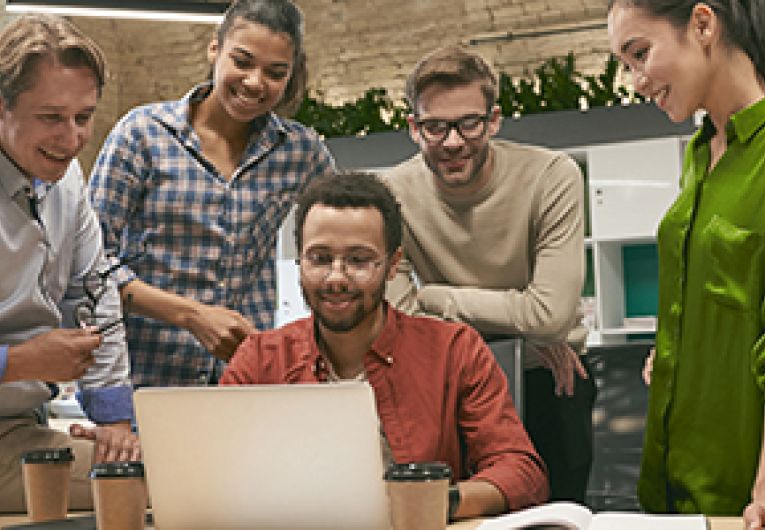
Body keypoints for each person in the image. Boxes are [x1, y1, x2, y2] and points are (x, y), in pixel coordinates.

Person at [220, 172, 549, 518]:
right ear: (298, 261)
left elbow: (520, 472)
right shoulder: (260, 358)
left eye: (359, 260)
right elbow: (213, 470)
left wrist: (435, 502)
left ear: (393, 265)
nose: (336, 277)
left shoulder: (454, 350)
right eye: (319, 258)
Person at [384, 46, 596, 503]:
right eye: (435, 127)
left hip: (551, 378)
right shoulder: (391, 195)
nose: (453, 141)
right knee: (455, 513)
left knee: (557, 516)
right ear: (414, 129)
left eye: (468, 123)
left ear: (494, 120)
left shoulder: (550, 175)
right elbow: (399, 322)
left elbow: (552, 316)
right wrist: (523, 330)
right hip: (447, 383)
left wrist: (435, 297)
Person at [89, 0, 335, 387]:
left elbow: (345, 233)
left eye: (275, 72)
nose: (255, 82)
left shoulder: (301, 152)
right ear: (214, 49)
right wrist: (191, 315)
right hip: (141, 379)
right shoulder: (141, 134)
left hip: (243, 381)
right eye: (243, 61)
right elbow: (88, 266)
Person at [607, 0, 765, 523]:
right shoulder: (701, 153)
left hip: (742, 493)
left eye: (639, 53)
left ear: (702, 24)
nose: (635, 81)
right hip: (674, 482)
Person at [0, 15, 139, 512]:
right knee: (151, 485)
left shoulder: (68, 179)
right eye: (51, 117)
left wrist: (113, 420)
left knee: (151, 469)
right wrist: (18, 362)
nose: (72, 136)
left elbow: (94, 296)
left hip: (20, 427)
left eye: (84, 117)